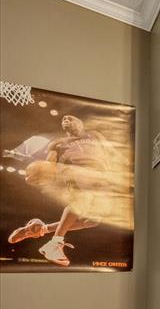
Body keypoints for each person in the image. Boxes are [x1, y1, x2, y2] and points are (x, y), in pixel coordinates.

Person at [7, 114, 116, 267]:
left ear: (81, 123)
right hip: (76, 171)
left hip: (101, 175)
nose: (66, 120)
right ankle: (54, 244)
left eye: (70, 118)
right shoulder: (57, 143)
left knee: (92, 221)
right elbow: (50, 163)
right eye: (64, 119)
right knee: (80, 200)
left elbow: (110, 153)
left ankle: (41, 229)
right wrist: (41, 172)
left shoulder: (94, 135)